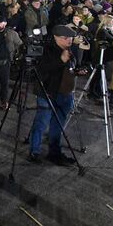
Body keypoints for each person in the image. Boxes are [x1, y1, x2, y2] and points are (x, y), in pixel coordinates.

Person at [28, 25, 81, 166]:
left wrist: (78, 70)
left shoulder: (69, 50)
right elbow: (41, 71)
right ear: (56, 37)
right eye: (66, 38)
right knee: (41, 122)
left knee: (58, 125)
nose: (69, 40)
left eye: (71, 38)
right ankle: (34, 151)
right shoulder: (46, 51)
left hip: (65, 94)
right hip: (48, 93)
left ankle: (55, 152)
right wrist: (61, 60)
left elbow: (70, 68)